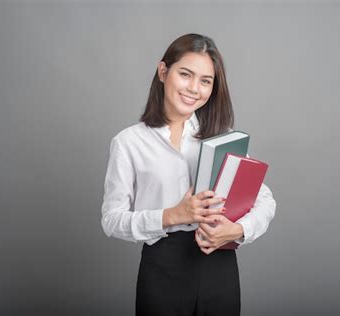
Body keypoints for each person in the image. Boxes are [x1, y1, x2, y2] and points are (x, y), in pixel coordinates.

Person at [101, 33, 276, 316]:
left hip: (219, 262)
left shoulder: (224, 138)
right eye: (185, 74)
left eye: (205, 81)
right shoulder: (128, 142)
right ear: (163, 71)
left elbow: (266, 201)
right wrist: (174, 215)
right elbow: (111, 220)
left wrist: (237, 231)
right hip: (162, 269)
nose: (194, 88)